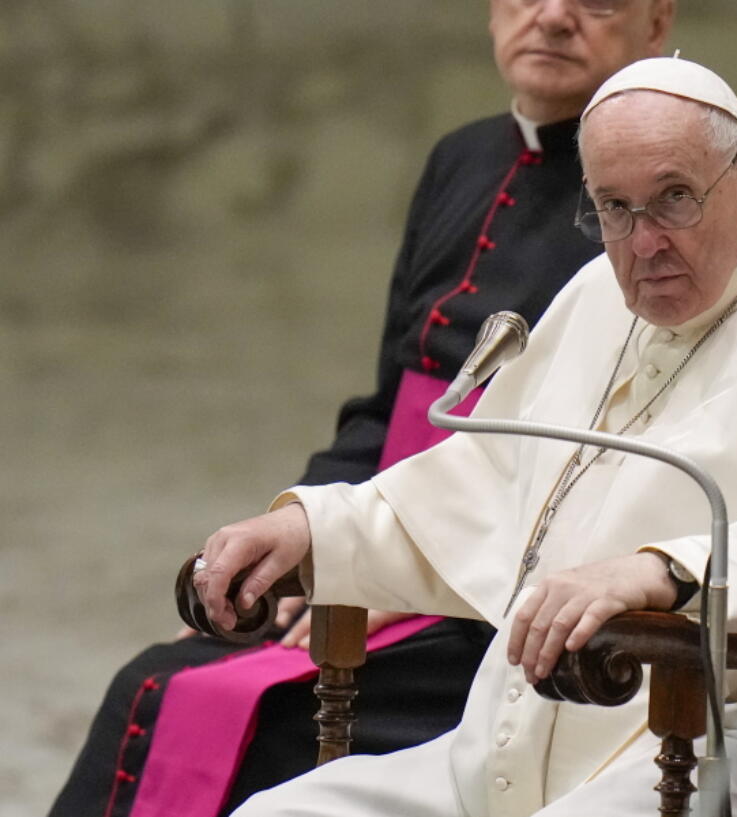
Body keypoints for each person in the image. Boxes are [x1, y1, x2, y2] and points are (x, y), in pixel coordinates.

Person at [194, 58, 737, 817]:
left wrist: (664, 570)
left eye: (675, 197)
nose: (643, 242)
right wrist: (314, 526)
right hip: (523, 753)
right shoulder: (599, 296)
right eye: (613, 207)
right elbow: (484, 483)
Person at [50, 2, 675, 816]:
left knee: (241, 713)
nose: (553, 18)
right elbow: (388, 404)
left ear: (657, 23)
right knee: (159, 676)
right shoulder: (462, 157)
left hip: (498, 599)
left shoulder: (654, 196)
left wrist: (399, 570)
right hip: (381, 530)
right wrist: (296, 542)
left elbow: (620, 452)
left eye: (595, 0)